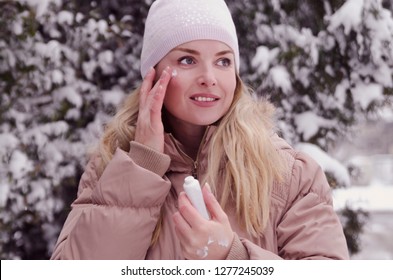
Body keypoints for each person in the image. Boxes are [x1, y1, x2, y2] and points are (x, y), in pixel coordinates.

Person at [51, 0, 349, 260]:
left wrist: (232, 258)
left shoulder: (290, 175)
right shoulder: (110, 169)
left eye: (223, 61)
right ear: (152, 75)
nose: (209, 77)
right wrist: (141, 167)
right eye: (187, 59)